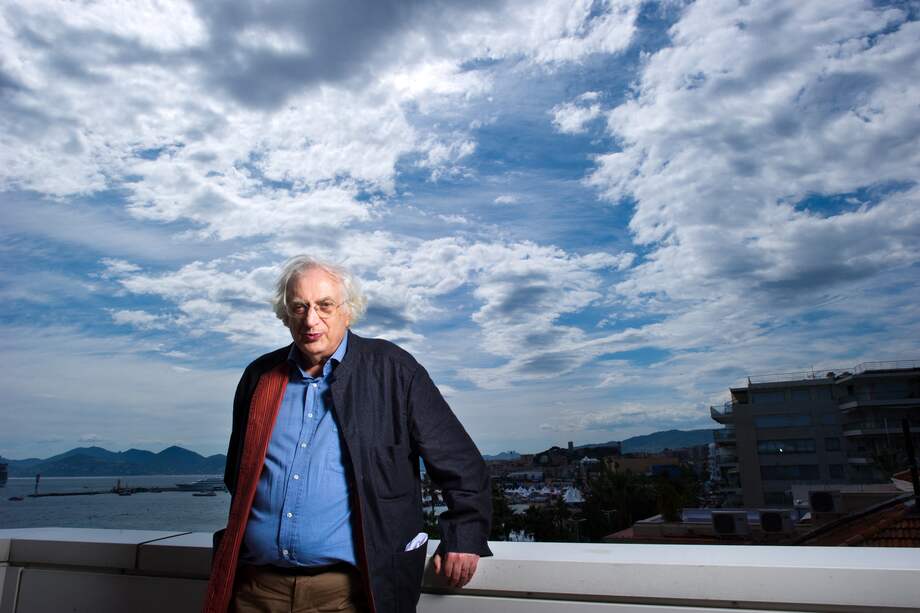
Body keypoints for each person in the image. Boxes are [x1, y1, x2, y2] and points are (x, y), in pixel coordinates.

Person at [204, 256, 492, 613]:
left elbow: (460, 462)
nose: (311, 319)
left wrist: (463, 536)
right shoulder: (259, 376)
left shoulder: (393, 369)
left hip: (349, 594)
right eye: (299, 307)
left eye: (324, 305)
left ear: (347, 310)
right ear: (286, 313)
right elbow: (240, 474)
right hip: (255, 590)